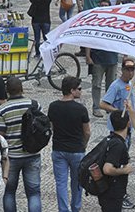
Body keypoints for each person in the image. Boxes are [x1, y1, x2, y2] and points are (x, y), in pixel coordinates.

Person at [0, 77, 42, 212]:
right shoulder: (34, 104)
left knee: (9, 192)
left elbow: (0, 136)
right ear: (22, 89)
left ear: (7, 91)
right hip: (32, 154)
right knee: (34, 193)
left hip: (11, 157)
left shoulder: (2, 110)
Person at [47, 76, 90, 212]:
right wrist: (84, 144)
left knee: (61, 183)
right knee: (77, 183)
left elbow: (51, 127)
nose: (81, 91)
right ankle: (76, 208)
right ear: (72, 90)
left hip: (59, 149)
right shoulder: (81, 109)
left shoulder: (53, 106)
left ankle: (63, 209)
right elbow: (87, 132)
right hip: (77, 150)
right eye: (79, 89)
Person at [95, 109, 135, 212]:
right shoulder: (118, 144)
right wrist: (124, 171)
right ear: (128, 123)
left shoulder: (109, 139)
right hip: (112, 192)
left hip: (106, 190)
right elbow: (107, 169)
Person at [100, 58, 135, 132]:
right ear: (122, 70)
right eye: (127, 70)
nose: (130, 73)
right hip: (117, 126)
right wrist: (117, 111)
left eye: (132, 70)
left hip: (127, 125)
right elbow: (102, 104)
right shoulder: (116, 86)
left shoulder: (129, 84)